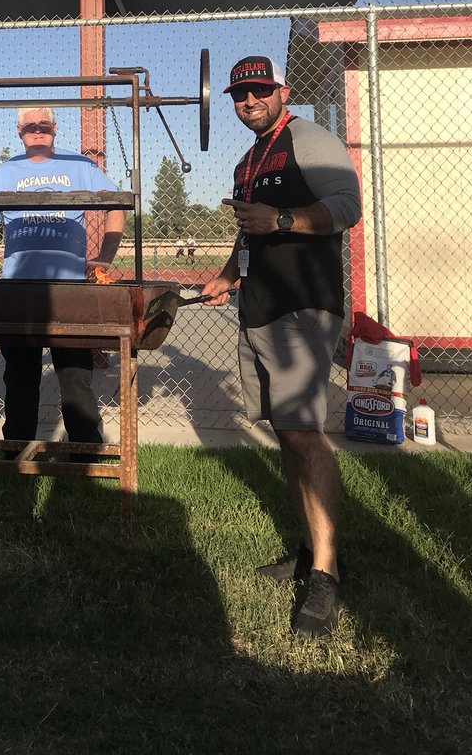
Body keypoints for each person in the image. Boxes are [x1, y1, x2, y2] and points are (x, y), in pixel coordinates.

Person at [201, 56, 361, 638]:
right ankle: (308, 548)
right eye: (240, 94)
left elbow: (347, 208)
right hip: (260, 306)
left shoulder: (308, 138)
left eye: (259, 91)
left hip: (304, 305)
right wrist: (227, 273)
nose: (249, 101)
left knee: (302, 433)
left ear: (281, 91)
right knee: (286, 433)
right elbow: (251, 228)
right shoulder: (250, 158)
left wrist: (284, 220)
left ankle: (325, 575)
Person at [0, 107, 125, 449]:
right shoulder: (5, 172)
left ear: (55, 128)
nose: (37, 132)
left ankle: (85, 453)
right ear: (19, 131)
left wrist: (104, 260)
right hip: (19, 290)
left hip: (69, 291)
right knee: (20, 379)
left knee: (75, 378)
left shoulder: (81, 166)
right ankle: (17, 453)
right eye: (30, 127)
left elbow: (116, 205)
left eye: (44, 126)